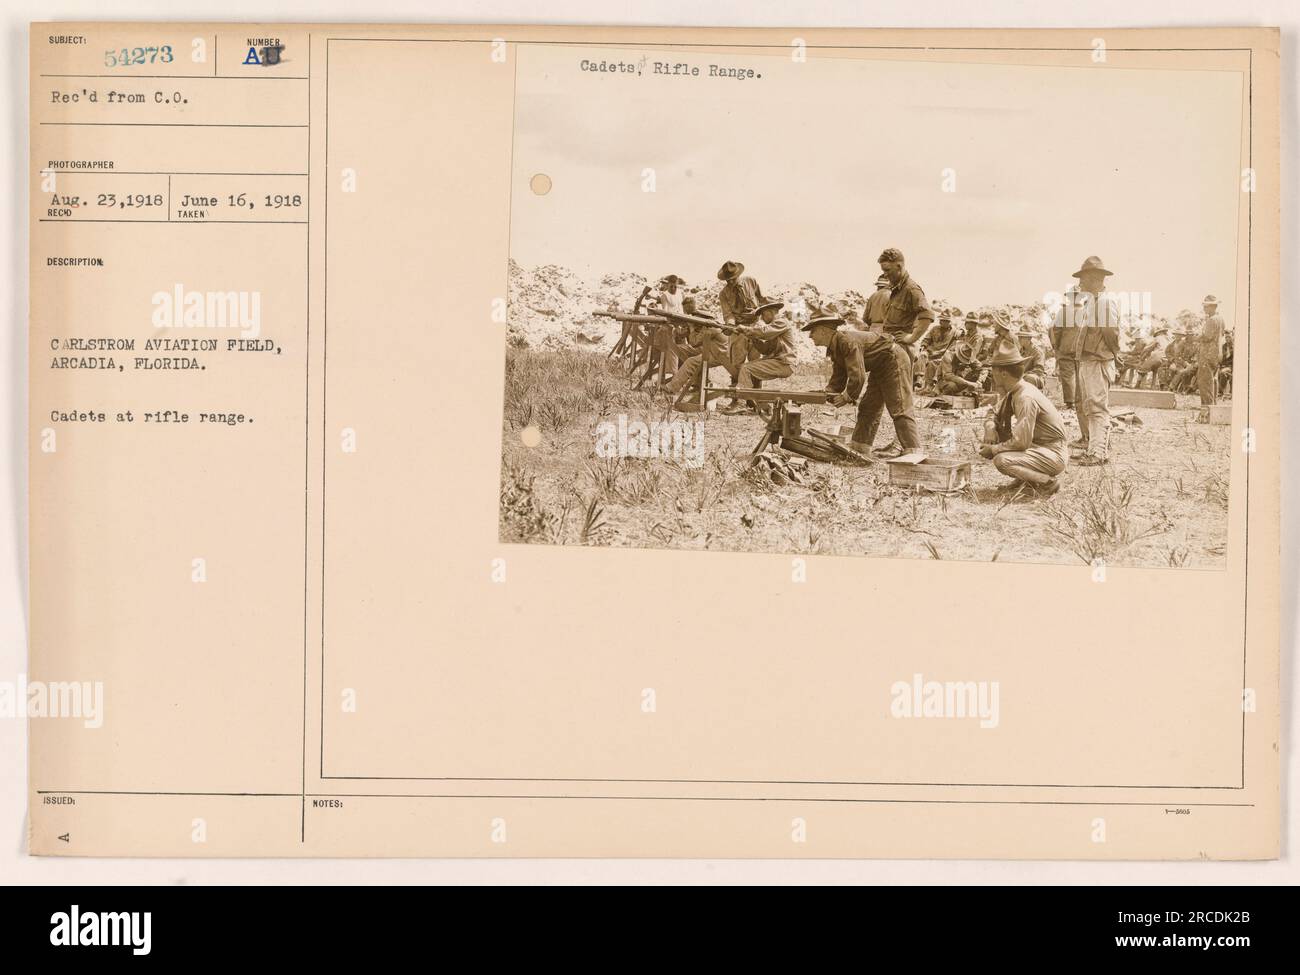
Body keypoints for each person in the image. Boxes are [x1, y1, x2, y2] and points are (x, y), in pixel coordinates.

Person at [802, 313, 921, 457]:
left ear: (823, 330)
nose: (810, 336)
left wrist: (847, 396)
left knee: (899, 405)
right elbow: (839, 376)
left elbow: (858, 375)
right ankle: (860, 448)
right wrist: (827, 393)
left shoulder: (847, 342)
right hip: (881, 365)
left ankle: (913, 452)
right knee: (868, 407)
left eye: (812, 331)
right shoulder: (836, 346)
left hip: (894, 360)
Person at [978, 340, 1069, 498]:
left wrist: (993, 449)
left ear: (1004, 374)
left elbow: (1021, 442)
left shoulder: (1025, 397)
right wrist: (991, 427)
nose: (992, 376)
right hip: (1040, 449)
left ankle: (1046, 482)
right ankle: (1026, 481)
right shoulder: (1015, 390)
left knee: (1001, 460)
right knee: (1001, 440)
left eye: (994, 371)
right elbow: (993, 412)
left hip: (1052, 453)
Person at [1056, 256, 1120, 466]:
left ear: (1094, 279)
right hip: (1089, 360)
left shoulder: (1104, 303)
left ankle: (1099, 453)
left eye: (1083, 279)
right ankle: (1095, 448)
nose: (1080, 284)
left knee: (1097, 407)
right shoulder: (1093, 303)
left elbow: (1110, 333)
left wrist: (1112, 354)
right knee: (1091, 406)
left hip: (1097, 360)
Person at [724, 300, 796, 414]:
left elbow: (764, 332)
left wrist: (746, 329)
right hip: (780, 362)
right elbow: (765, 349)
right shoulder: (775, 328)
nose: (762, 318)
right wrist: (750, 336)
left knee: (746, 368)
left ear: (771, 312)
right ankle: (762, 405)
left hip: (784, 363)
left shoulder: (781, 322)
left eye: (763, 314)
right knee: (751, 370)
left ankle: (741, 403)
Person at [717, 260, 766, 393]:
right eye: (728, 280)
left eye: (733, 279)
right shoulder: (724, 294)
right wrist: (731, 325)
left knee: (756, 363)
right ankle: (737, 397)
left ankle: (756, 398)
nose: (731, 282)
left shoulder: (751, 281)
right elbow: (728, 314)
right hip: (738, 329)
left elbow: (762, 300)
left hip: (755, 326)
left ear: (738, 275)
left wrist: (760, 313)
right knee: (737, 364)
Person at [1197, 294, 1226, 405]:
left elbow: (1207, 337)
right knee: (1213, 380)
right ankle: (1213, 406)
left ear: (1212, 307)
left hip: (1207, 355)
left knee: (1204, 382)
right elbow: (1221, 334)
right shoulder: (1221, 319)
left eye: (1206, 306)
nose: (1204, 308)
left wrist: (1198, 337)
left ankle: (1207, 408)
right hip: (1217, 354)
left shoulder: (1211, 320)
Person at [918, 310, 957, 391]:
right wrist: (923, 346)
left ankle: (930, 385)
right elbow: (926, 339)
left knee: (933, 363)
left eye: (945, 321)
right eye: (941, 320)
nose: (942, 322)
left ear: (949, 322)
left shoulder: (954, 332)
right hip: (930, 352)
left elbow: (957, 344)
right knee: (922, 355)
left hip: (942, 354)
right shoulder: (934, 329)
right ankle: (919, 378)